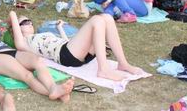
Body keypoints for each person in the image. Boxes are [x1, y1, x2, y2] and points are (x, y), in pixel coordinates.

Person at [9, 11, 144, 81]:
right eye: (24, 22)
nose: (29, 23)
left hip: (70, 49)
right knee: (97, 20)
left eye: (30, 21)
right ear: (17, 29)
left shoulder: (40, 35)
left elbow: (65, 42)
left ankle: (123, 63)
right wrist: (12, 17)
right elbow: (12, 16)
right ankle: (103, 69)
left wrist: (60, 28)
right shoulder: (24, 43)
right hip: (66, 56)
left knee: (107, 17)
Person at [0, 34, 74, 102]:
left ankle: (54, 88)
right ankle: (55, 94)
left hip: (10, 51)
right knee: (27, 75)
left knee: (38, 62)